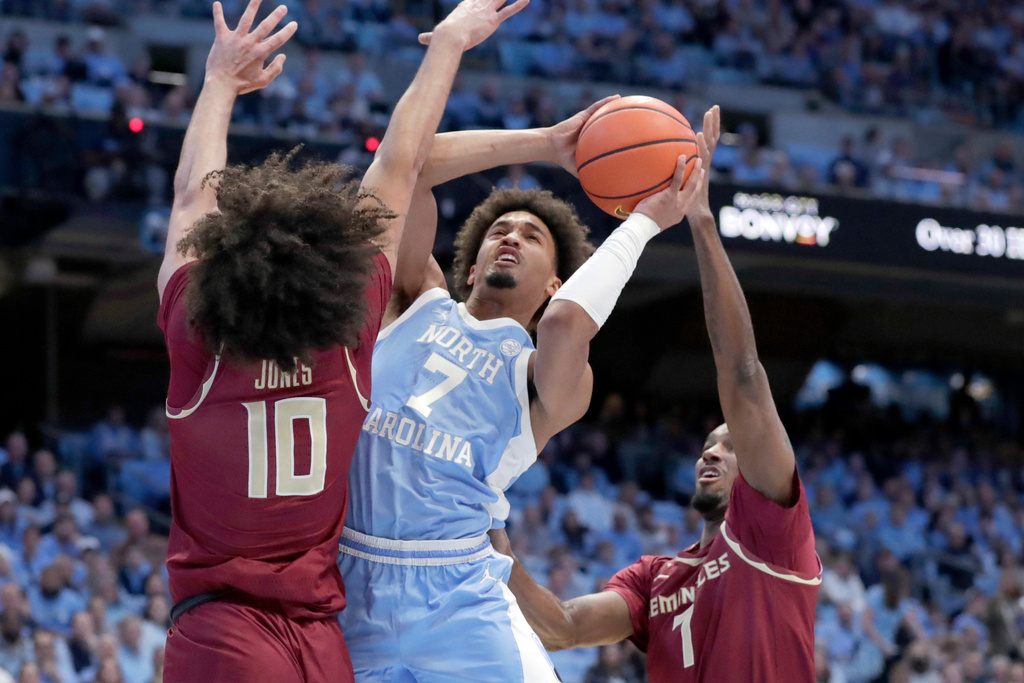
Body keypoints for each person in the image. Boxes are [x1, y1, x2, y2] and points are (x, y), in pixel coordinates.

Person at [155, 0, 527, 680]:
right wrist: (447, 45)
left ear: (225, 264)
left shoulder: (198, 335)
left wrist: (218, 83)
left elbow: (190, 198)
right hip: (323, 636)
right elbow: (398, 165)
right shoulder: (348, 336)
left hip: (221, 628)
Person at [337, 94, 706, 680]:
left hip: (456, 592)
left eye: (532, 237)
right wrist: (547, 144)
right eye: (499, 231)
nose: (510, 237)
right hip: (347, 577)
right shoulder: (413, 301)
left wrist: (645, 221)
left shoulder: (544, 377)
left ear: (558, 283)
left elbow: (566, 321)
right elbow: (409, 165)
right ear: (472, 265)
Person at [491, 107, 821, 682]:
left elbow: (743, 375)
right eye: (709, 444)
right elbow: (560, 627)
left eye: (730, 444)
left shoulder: (774, 534)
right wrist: (484, 528)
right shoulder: (656, 577)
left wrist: (701, 223)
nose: (712, 451)